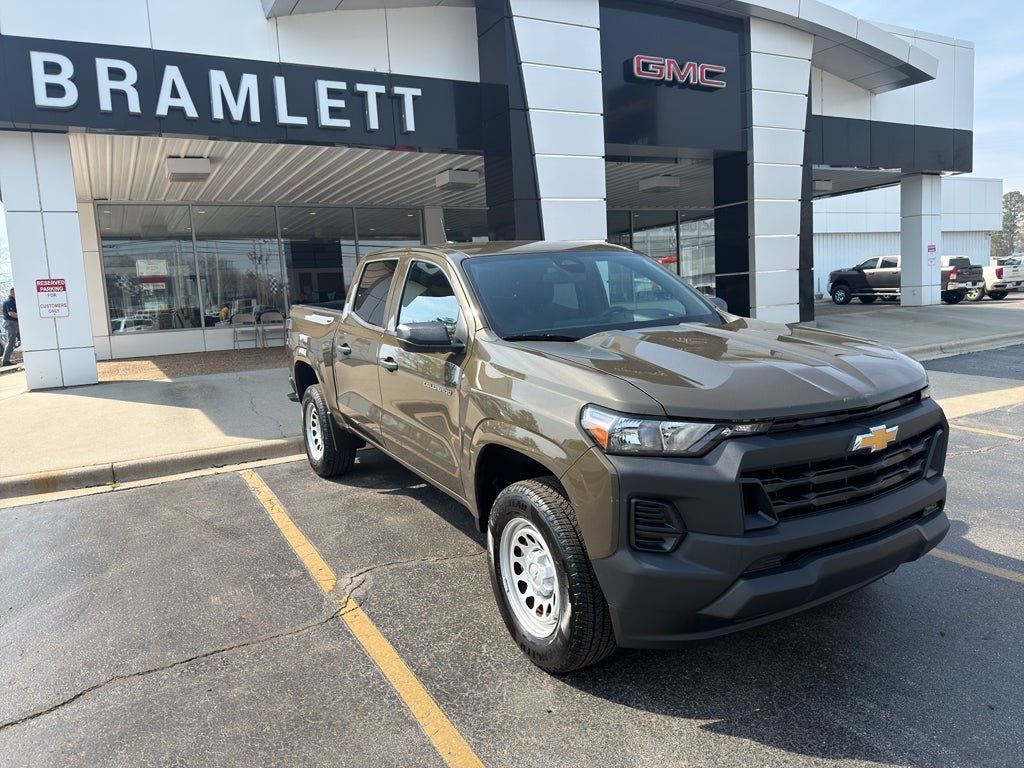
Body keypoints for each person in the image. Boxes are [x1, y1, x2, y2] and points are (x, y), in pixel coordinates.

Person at [1, 287, 19, 367]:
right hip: (10, 323)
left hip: (13, 323)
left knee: (22, 339)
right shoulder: (10, 301)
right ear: (12, 293)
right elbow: (11, 313)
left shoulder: (13, 301)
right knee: (10, 341)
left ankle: (14, 347)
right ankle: (5, 361)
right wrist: (22, 317)